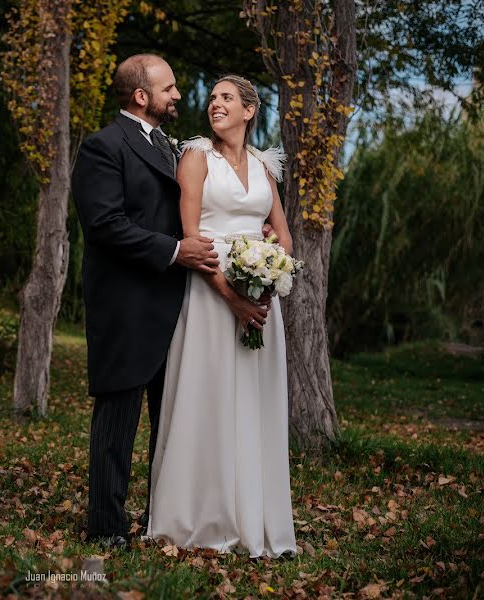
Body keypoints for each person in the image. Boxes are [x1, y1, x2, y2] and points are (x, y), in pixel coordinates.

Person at [71, 54, 220, 549]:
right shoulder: (103, 146)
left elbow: (189, 209)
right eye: (169, 88)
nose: (178, 96)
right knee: (117, 421)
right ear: (141, 96)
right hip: (127, 305)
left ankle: (161, 517)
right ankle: (108, 528)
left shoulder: (171, 148)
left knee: (170, 421)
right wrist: (176, 250)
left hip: (176, 305)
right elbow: (104, 225)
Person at [146, 74, 298, 558]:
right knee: (208, 398)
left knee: (253, 401)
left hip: (260, 303)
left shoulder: (264, 165)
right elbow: (190, 238)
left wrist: (269, 280)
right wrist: (231, 295)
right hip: (211, 296)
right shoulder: (195, 157)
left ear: (249, 110)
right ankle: (199, 516)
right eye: (212, 98)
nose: (215, 104)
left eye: (226, 98)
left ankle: (255, 516)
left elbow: (283, 236)